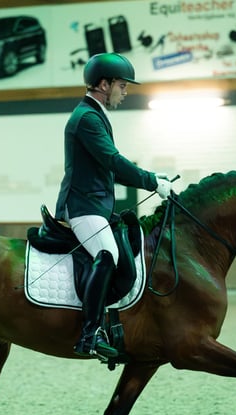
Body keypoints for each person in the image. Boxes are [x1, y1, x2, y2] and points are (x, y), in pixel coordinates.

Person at [54, 52, 172, 359]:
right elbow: (113, 162)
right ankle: (89, 334)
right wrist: (152, 182)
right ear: (104, 84)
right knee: (106, 255)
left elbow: (108, 168)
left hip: (95, 204)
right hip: (82, 206)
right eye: (122, 84)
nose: (126, 91)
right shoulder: (87, 119)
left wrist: (150, 176)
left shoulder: (92, 115)